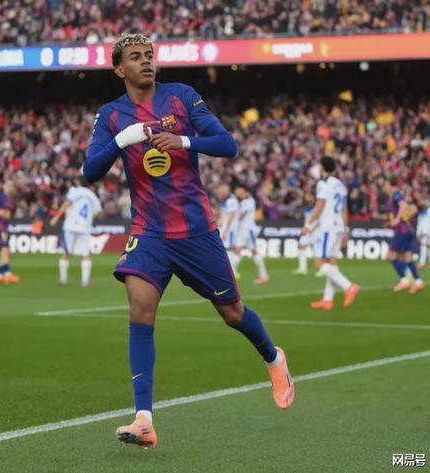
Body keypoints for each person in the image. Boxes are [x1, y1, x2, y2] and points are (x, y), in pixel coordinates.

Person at [83, 33, 294, 449]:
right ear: (119, 69)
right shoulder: (111, 115)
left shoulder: (181, 96)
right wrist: (124, 139)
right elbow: (90, 171)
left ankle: (274, 357)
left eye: (149, 55)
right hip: (149, 232)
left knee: (233, 313)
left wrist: (183, 141)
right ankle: (144, 419)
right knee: (140, 311)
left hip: (196, 230)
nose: (146, 61)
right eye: (136, 57)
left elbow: (228, 145)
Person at [303, 157, 359, 310]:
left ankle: (349, 287)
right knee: (332, 264)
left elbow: (319, 206)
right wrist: (345, 230)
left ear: (322, 168)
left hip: (328, 228)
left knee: (319, 264)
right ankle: (328, 300)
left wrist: (308, 225)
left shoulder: (323, 184)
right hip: (339, 226)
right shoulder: (341, 185)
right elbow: (344, 210)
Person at [50, 176, 102, 287]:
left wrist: (56, 217)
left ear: (78, 182)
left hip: (71, 225)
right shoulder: (93, 196)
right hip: (85, 227)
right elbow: (97, 212)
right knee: (86, 254)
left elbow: (67, 203)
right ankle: (85, 282)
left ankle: (63, 280)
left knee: (66, 253)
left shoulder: (74, 191)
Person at [385, 177, 424, 293]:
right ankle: (418, 282)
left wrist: (397, 220)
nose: (384, 187)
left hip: (402, 231)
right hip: (407, 230)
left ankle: (405, 280)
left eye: (385, 185)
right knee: (407, 258)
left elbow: (404, 206)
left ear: (390, 185)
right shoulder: (396, 195)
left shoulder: (396, 195)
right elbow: (409, 209)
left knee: (391, 256)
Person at [232, 185, 269, 284]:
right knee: (237, 250)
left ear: (246, 192)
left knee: (253, 251)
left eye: (240, 191)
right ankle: (232, 274)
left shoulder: (248, 201)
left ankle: (264, 275)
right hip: (242, 231)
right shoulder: (244, 201)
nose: (238, 193)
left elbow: (241, 215)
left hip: (249, 231)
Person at [0, 180, 20, 284]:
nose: (9, 187)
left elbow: (10, 214)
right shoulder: (0, 196)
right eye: (8, 185)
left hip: (4, 228)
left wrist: (9, 215)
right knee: (5, 249)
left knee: (6, 252)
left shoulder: (11, 200)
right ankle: (7, 274)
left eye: (11, 186)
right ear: (4, 187)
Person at [215, 183, 240, 274]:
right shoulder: (224, 201)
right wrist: (219, 221)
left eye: (219, 192)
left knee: (230, 248)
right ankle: (230, 270)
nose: (218, 194)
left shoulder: (231, 200)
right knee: (225, 248)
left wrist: (226, 231)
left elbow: (231, 216)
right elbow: (223, 215)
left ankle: (232, 271)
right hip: (225, 228)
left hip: (230, 229)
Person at [293, 193, 315, 276]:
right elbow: (307, 219)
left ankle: (321, 268)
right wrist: (305, 227)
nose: (307, 197)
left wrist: (313, 229)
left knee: (317, 250)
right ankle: (303, 268)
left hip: (315, 231)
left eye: (309, 196)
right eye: (306, 196)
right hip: (307, 230)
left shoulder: (318, 207)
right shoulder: (306, 208)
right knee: (301, 246)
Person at [417, 197, 430, 270]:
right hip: (423, 232)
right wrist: (418, 233)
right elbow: (420, 223)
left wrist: (424, 232)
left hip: (429, 232)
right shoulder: (421, 211)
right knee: (428, 247)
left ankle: (422, 263)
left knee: (426, 246)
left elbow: (429, 222)